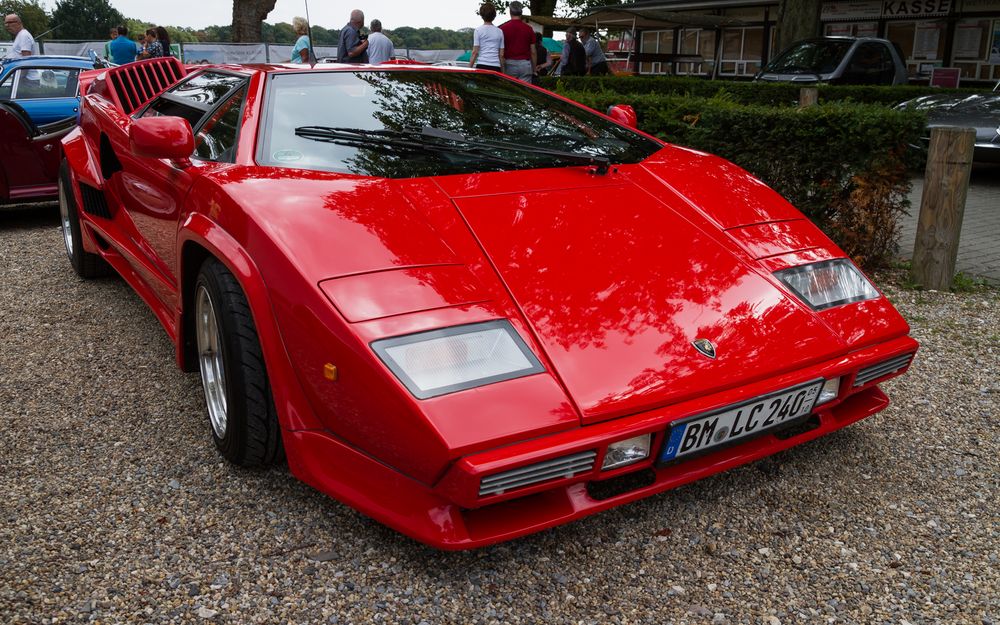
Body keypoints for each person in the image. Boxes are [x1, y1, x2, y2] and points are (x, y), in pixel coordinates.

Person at [498, 0, 535, 82]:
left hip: (509, 64)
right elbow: (533, 52)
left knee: (510, 90)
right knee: (525, 91)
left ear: (510, 12)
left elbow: (500, 52)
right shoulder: (529, 29)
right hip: (525, 64)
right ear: (521, 12)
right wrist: (534, 69)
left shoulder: (502, 29)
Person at [469, 2, 503, 72]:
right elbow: (501, 55)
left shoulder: (478, 30)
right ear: (494, 15)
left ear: (481, 15)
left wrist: (469, 68)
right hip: (496, 66)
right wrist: (503, 71)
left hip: (482, 65)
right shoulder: (500, 32)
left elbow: (475, 52)